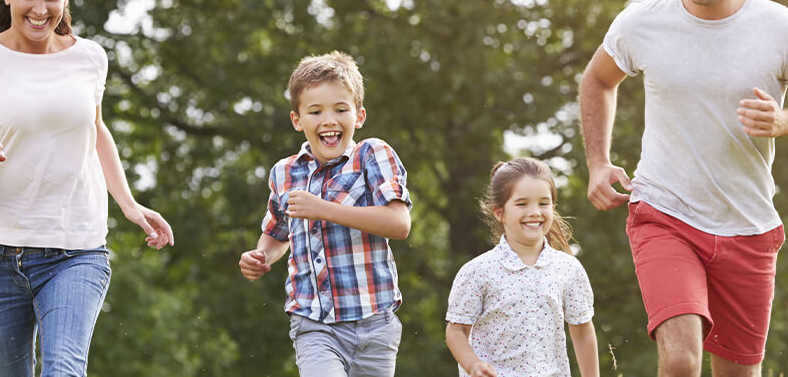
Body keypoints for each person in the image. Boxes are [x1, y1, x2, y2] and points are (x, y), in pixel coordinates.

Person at [578, 0, 788, 377]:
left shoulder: (781, 29)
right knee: (681, 359)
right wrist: (597, 160)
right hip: (665, 213)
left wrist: (784, 122)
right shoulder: (643, 23)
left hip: (748, 225)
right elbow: (597, 80)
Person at [0, 0, 174, 376]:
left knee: (63, 370)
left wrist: (129, 204)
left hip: (75, 251)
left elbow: (96, 130)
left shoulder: (90, 58)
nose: (40, 9)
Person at [238, 51, 411, 377]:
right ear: (298, 120)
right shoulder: (284, 173)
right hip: (314, 324)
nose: (329, 120)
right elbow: (277, 234)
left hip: (375, 324)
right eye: (315, 111)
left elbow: (399, 224)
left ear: (358, 116)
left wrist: (324, 210)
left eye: (340, 109)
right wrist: (261, 256)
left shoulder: (371, 155)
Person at [444, 158, 599, 377]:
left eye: (543, 203)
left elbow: (582, 331)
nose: (535, 211)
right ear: (500, 213)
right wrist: (473, 365)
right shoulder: (478, 271)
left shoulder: (568, 268)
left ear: (553, 208)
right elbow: (456, 331)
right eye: (522, 203)